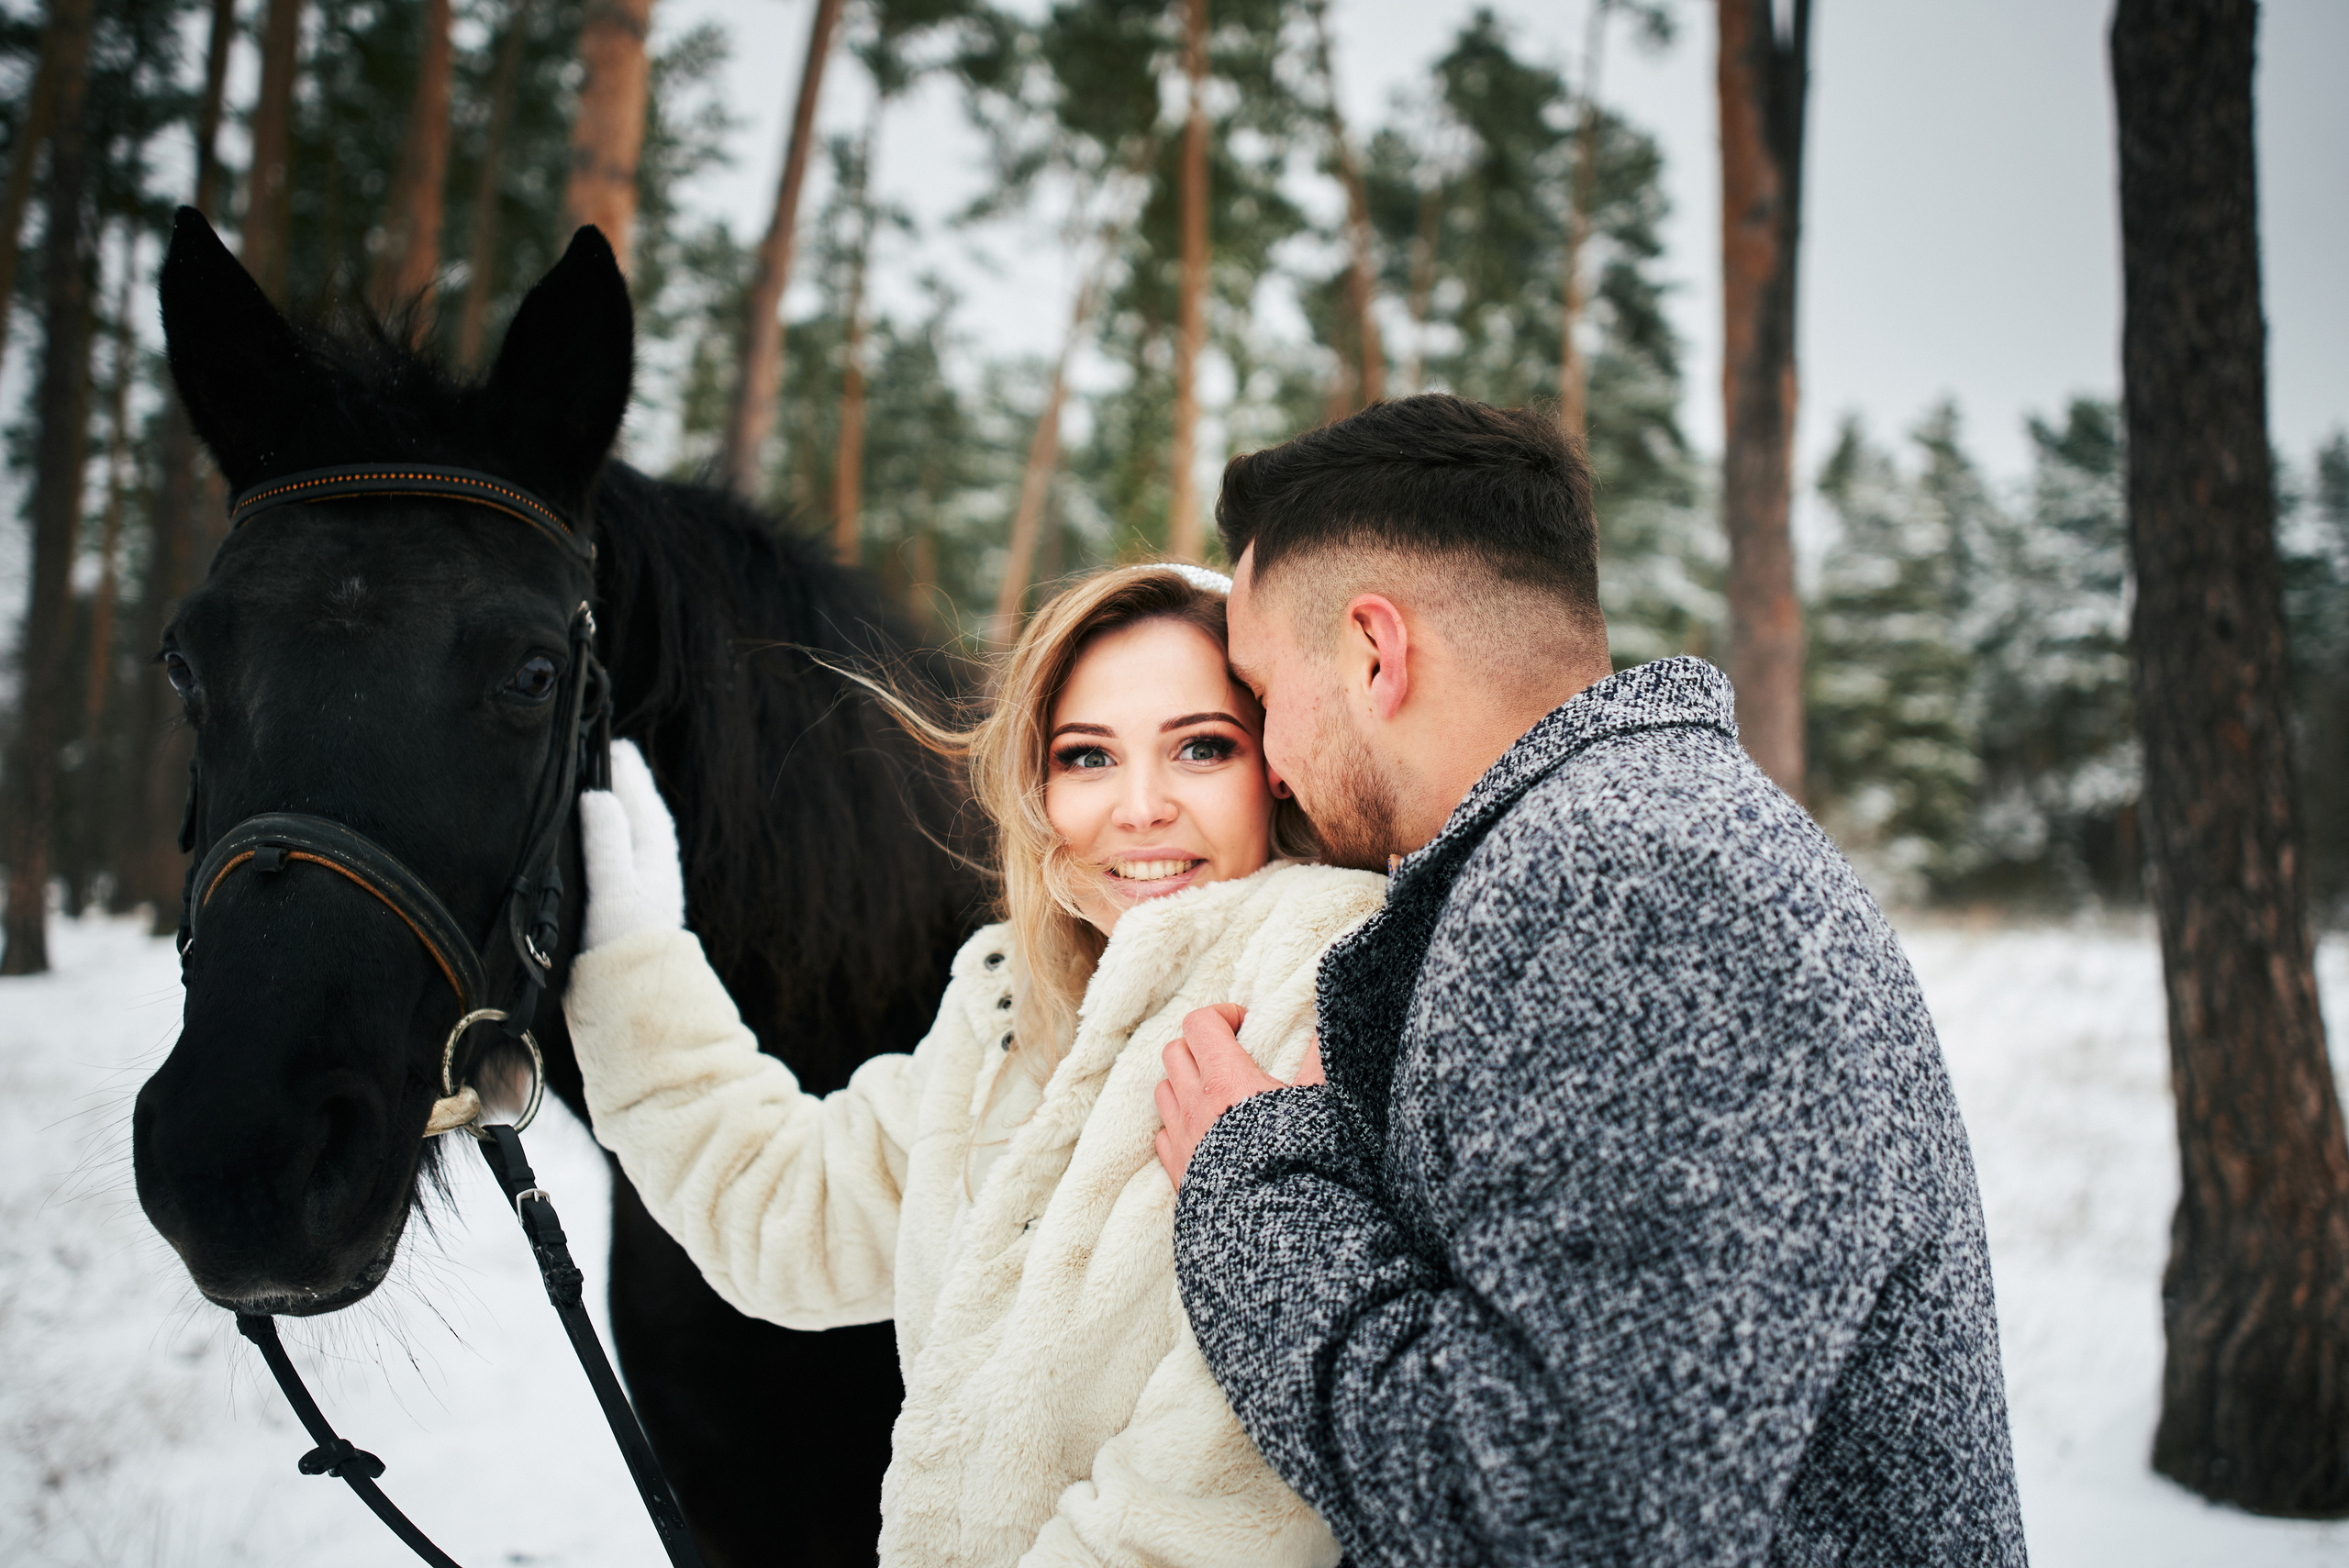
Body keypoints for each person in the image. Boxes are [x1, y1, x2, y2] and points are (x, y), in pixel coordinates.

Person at [1152, 395, 2029, 1565]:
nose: (1266, 762)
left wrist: (1255, 1180)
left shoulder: (1625, 882)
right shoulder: (1638, 840)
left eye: (1262, 694)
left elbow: (1565, 1520)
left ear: (1374, 651)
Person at [564, 563, 1378, 1568]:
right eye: (1087, 756)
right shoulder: (1015, 1013)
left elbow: (1218, 1494)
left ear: (1277, 765)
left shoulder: (1323, 984)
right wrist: (631, 956)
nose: (1139, 807)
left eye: (1201, 747)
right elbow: (793, 1213)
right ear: (1038, 785)